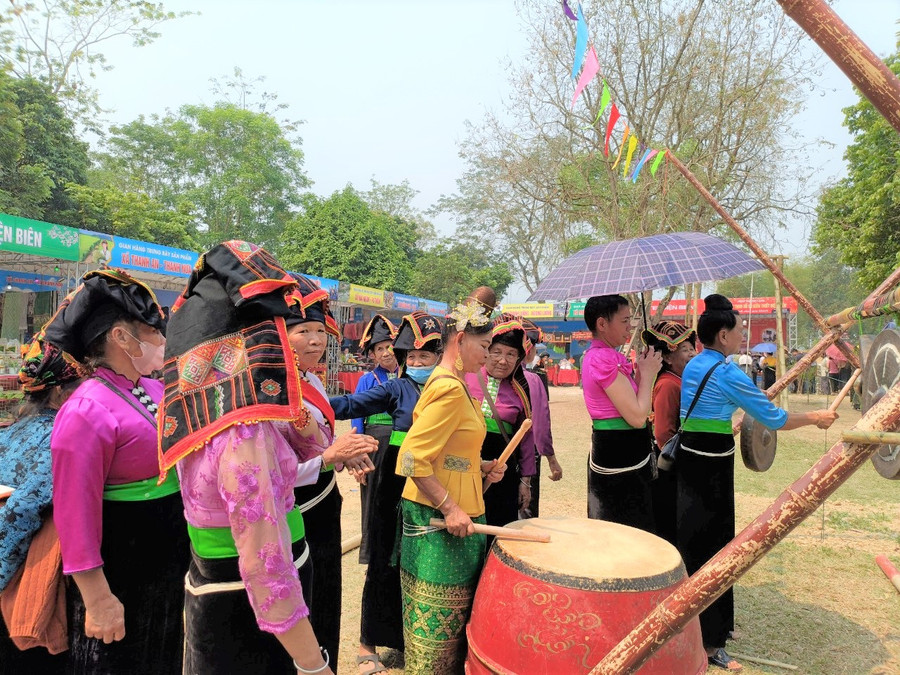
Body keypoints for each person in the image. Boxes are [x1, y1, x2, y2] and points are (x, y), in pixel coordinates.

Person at [158, 242, 376, 673]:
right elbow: (266, 567)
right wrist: (313, 664)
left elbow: (309, 444)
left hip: (217, 586)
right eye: (280, 329)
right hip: (245, 610)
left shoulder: (197, 406)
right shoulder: (243, 431)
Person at [677, 294, 838, 673]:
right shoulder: (727, 373)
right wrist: (815, 417)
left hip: (688, 458)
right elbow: (775, 419)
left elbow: (709, 412)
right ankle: (711, 641)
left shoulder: (694, 364)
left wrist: (739, 408)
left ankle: (699, 626)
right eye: (738, 330)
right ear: (722, 335)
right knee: (717, 548)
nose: (742, 335)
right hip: (711, 466)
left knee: (694, 544)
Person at [43, 269, 188, 674]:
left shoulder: (153, 388)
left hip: (166, 563)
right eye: (153, 331)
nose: (162, 340)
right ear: (121, 337)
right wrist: (98, 599)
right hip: (122, 567)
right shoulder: (86, 409)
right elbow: (74, 512)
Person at [395, 287, 505, 674]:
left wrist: (481, 466)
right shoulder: (448, 388)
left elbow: (446, 453)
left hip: (454, 518)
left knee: (449, 627)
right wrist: (451, 508)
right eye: (485, 345)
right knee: (435, 630)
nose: (488, 355)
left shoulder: (454, 385)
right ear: (460, 340)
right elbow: (413, 458)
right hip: (439, 523)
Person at [329, 311, 443, 674]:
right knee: (382, 556)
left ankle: (409, 639)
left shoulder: (450, 390)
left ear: (438, 357)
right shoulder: (397, 388)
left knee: (420, 561)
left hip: (434, 482)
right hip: (395, 479)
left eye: (425, 356)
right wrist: (314, 402)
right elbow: (351, 404)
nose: (417, 363)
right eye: (412, 357)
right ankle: (367, 643)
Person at [290, 273, 376, 674]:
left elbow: (318, 440)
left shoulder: (311, 380)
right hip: (295, 511)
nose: (316, 340)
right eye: (303, 331)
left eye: (320, 331)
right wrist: (328, 457)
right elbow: (267, 473)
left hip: (324, 503)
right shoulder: (269, 390)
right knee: (301, 603)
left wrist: (343, 454)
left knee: (325, 596)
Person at [0, 336, 81, 672]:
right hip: (21, 577)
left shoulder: (9, 432)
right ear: (60, 392)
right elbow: (23, 508)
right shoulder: (59, 437)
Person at [581, 294, 662, 533]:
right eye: (625, 321)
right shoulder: (604, 359)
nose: (630, 327)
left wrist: (642, 373)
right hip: (621, 454)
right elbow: (637, 417)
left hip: (618, 451)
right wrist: (649, 375)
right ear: (602, 324)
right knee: (627, 529)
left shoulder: (603, 356)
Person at [465, 315, 537, 529]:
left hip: (503, 471)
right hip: (466, 465)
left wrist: (525, 481)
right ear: (486, 351)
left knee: (499, 526)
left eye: (511, 354)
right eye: (496, 352)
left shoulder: (520, 391)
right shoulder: (465, 378)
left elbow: (526, 439)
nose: (503, 360)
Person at [642, 321, 697, 547]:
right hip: (669, 464)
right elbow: (664, 433)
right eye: (684, 349)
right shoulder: (668, 384)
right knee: (668, 520)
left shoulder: (681, 381)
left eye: (692, 348)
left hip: (677, 460)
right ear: (667, 357)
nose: (692, 353)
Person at [352, 315, 399, 566]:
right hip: (373, 443)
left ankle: (397, 553)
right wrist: (359, 452)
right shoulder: (367, 380)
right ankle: (371, 554)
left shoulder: (407, 376)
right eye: (379, 349)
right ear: (373, 354)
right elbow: (357, 416)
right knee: (372, 499)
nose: (385, 352)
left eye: (389, 346)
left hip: (402, 441)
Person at [520, 318, 560, 519]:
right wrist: (551, 458)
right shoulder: (532, 380)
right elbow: (541, 425)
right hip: (527, 457)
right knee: (525, 512)